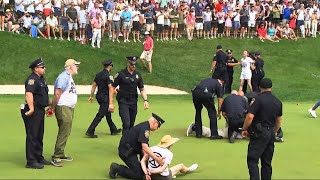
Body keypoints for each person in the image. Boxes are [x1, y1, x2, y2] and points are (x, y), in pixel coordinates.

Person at [241, 78, 282, 180]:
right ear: (271, 88)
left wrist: (244, 129)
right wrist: (275, 131)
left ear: (260, 87)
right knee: (267, 162)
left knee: (252, 160)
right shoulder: (277, 101)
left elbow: (250, 116)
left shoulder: (257, 99)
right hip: (270, 132)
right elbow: (279, 120)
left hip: (259, 132)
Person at [109, 113, 165, 179]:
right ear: (154, 122)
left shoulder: (144, 126)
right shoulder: (145, 129)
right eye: (158, 126)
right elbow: (145, 147)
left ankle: (140, 169)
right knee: (138, 175)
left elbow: (144, 148)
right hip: (126, 152)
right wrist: (157, 159)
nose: (157, 128)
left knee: (143, 170)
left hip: (132, 150)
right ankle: (117, 168)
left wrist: (145, 163)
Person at [21, 58, 51, 169]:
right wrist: (32, 108)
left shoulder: (41, 79)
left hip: (40, 110)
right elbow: (29, 94)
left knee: (39, 135)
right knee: (32, 135)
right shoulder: (32, 80)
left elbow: (42, 95)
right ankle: (31, 161)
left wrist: (48, 105)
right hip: (33, 110)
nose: (44, 69)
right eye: (42, 67)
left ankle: (38, 157)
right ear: (36, 69)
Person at [51, 59, 81, 167]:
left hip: (68, 108)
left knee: (66, 131)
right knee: (64, 131)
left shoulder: (68, 77)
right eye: (75, 65)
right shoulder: (64, 77)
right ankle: (56, 156)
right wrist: (52, 107)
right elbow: (57, 93)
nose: (77, 67)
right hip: (63, 108)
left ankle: (60, 152)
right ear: (70, 67)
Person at [109, 56, 149, 133]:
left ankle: (129, 142)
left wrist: (146, 100)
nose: (133, 66)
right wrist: (111, 102)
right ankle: (124, 143)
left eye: (135, 64)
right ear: (128, 63)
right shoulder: (121, 74)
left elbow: (142, 89)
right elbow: (112, 87)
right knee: (126, 123)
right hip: (123, 101)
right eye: (132, 64)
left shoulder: (138, 75)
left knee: (131, 124)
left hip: (133, 101)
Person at [85, 60, 121, 138]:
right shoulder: (108, 76)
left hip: (99, 96)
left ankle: (113, 129)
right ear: (110, 66)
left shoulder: (98, 74)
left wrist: (91, 96)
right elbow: (110, 87)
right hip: (105, 97)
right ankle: (90, 130)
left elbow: (94, 85)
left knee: (108, 114)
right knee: (100, 114)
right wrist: (116, 94)